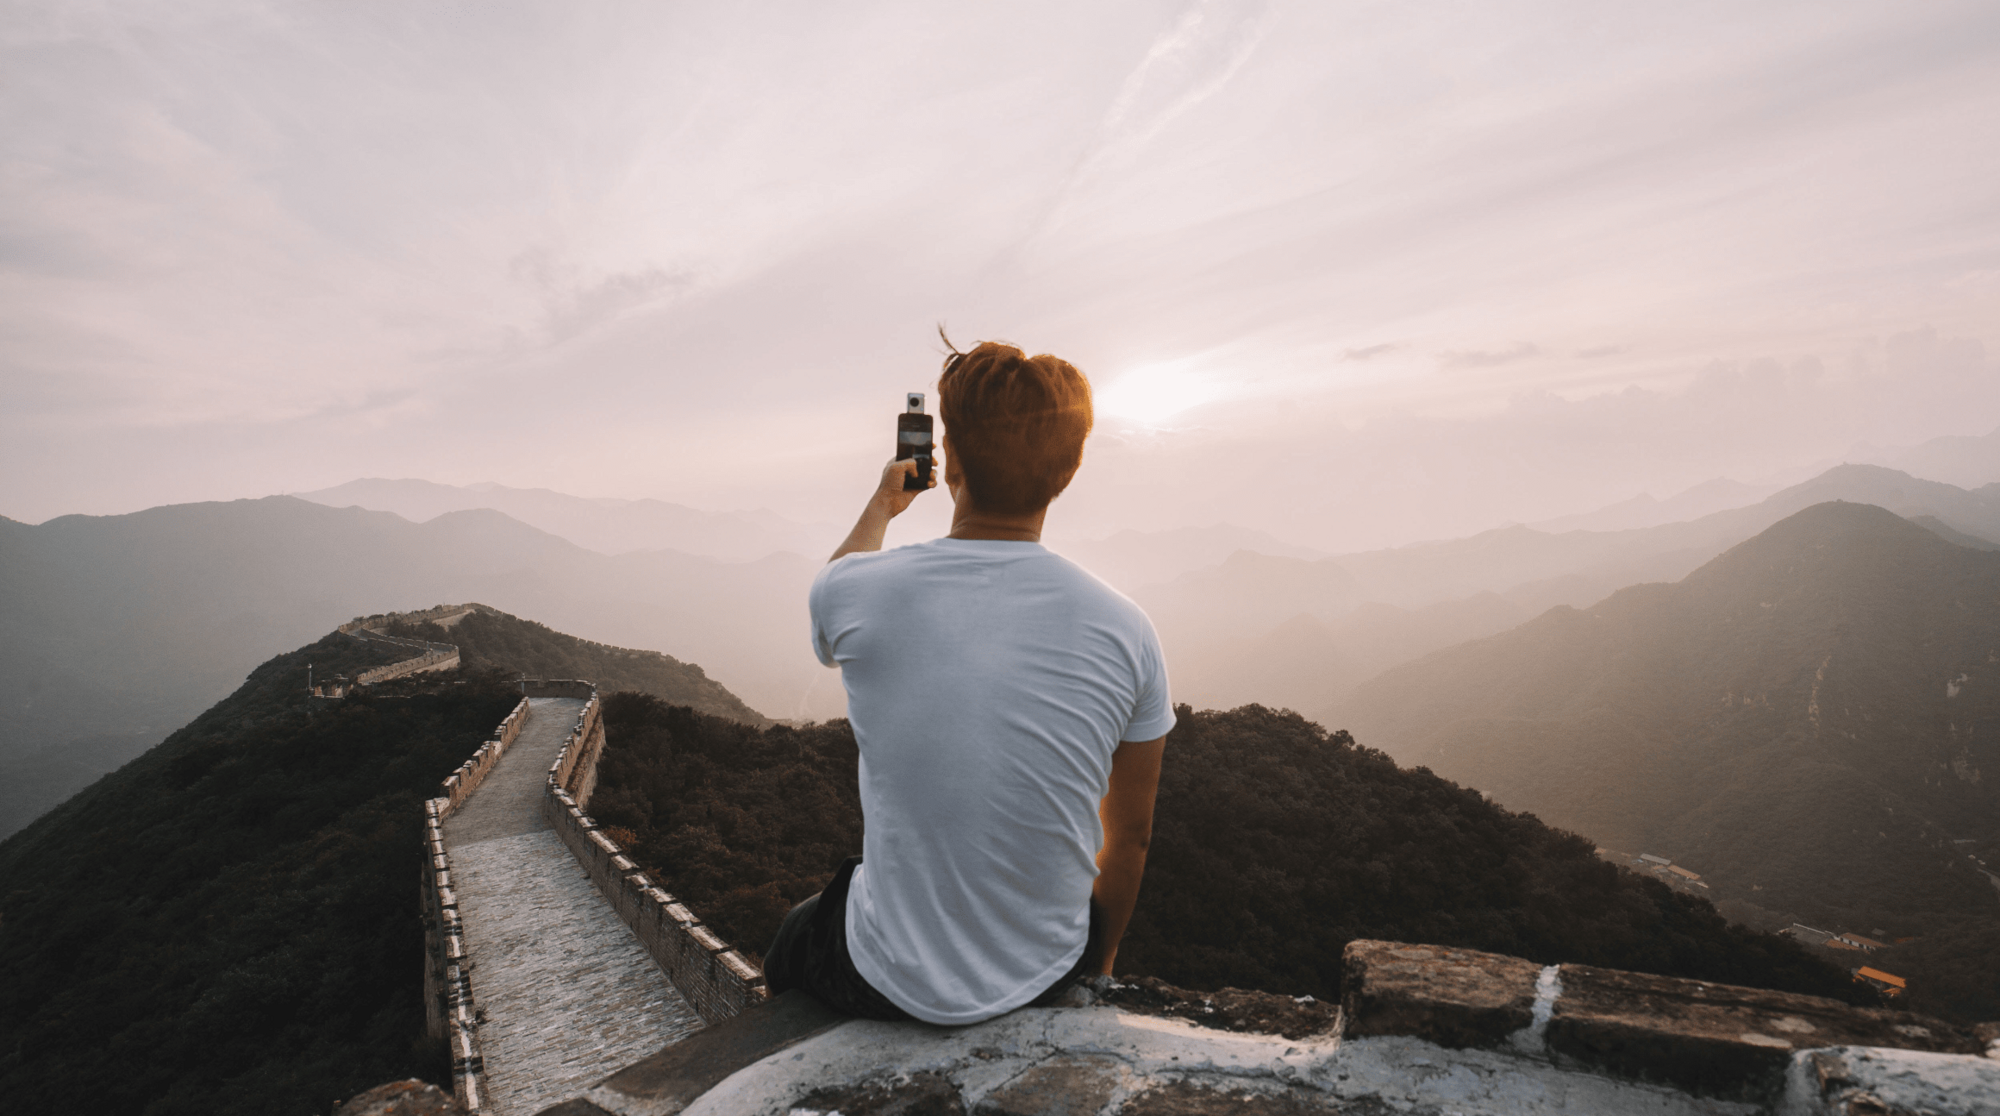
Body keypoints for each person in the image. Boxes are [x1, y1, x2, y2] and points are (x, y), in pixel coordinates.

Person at [762, 339, 1175, 1026]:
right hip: (1047, 973)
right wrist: (1093, 973)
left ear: (948, 457)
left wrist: (882, 507)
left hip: (883, 976)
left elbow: (831, 599)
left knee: (791, 943)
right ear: (1067, 472)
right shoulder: (1127, 629)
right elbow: (1128, 838)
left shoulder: (856, 590)